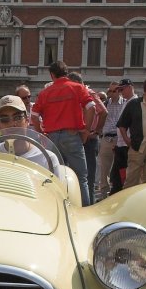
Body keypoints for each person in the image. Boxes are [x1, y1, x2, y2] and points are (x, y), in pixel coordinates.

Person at [30, 60, 95, 205]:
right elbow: (91, 108)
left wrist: (41, 133)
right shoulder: (77, 88)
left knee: (54, 177)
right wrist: (86, 129)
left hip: (52, 138)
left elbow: (33, 116)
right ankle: (83, 212)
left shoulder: (45, 93)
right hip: (72, 136)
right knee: (81, 178)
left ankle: (57, 208)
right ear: (66, 72)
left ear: (52, 75)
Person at [0, 95, 61, 175]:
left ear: (27, 121)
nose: (12, 124)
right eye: (5, 120)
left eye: (18, 117)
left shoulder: (47, 159)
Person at [68, 71, 107, 205]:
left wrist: (95, 131)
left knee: (87, 178)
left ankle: (89, 206)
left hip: (88, 140)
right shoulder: (81, 94)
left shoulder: (88, 93)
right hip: (82, 138)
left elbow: (103, 112)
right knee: (82, 176)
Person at [96, 83, 129, 199]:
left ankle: (117, 191)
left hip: (119, 140)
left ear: (119, 91)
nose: (111, 93)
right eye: (109, 91)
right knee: (104, 167)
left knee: (118, 167)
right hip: (106, 139)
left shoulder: (125, 103)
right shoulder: (105, 104)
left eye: (113, 91)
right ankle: (104, 193)